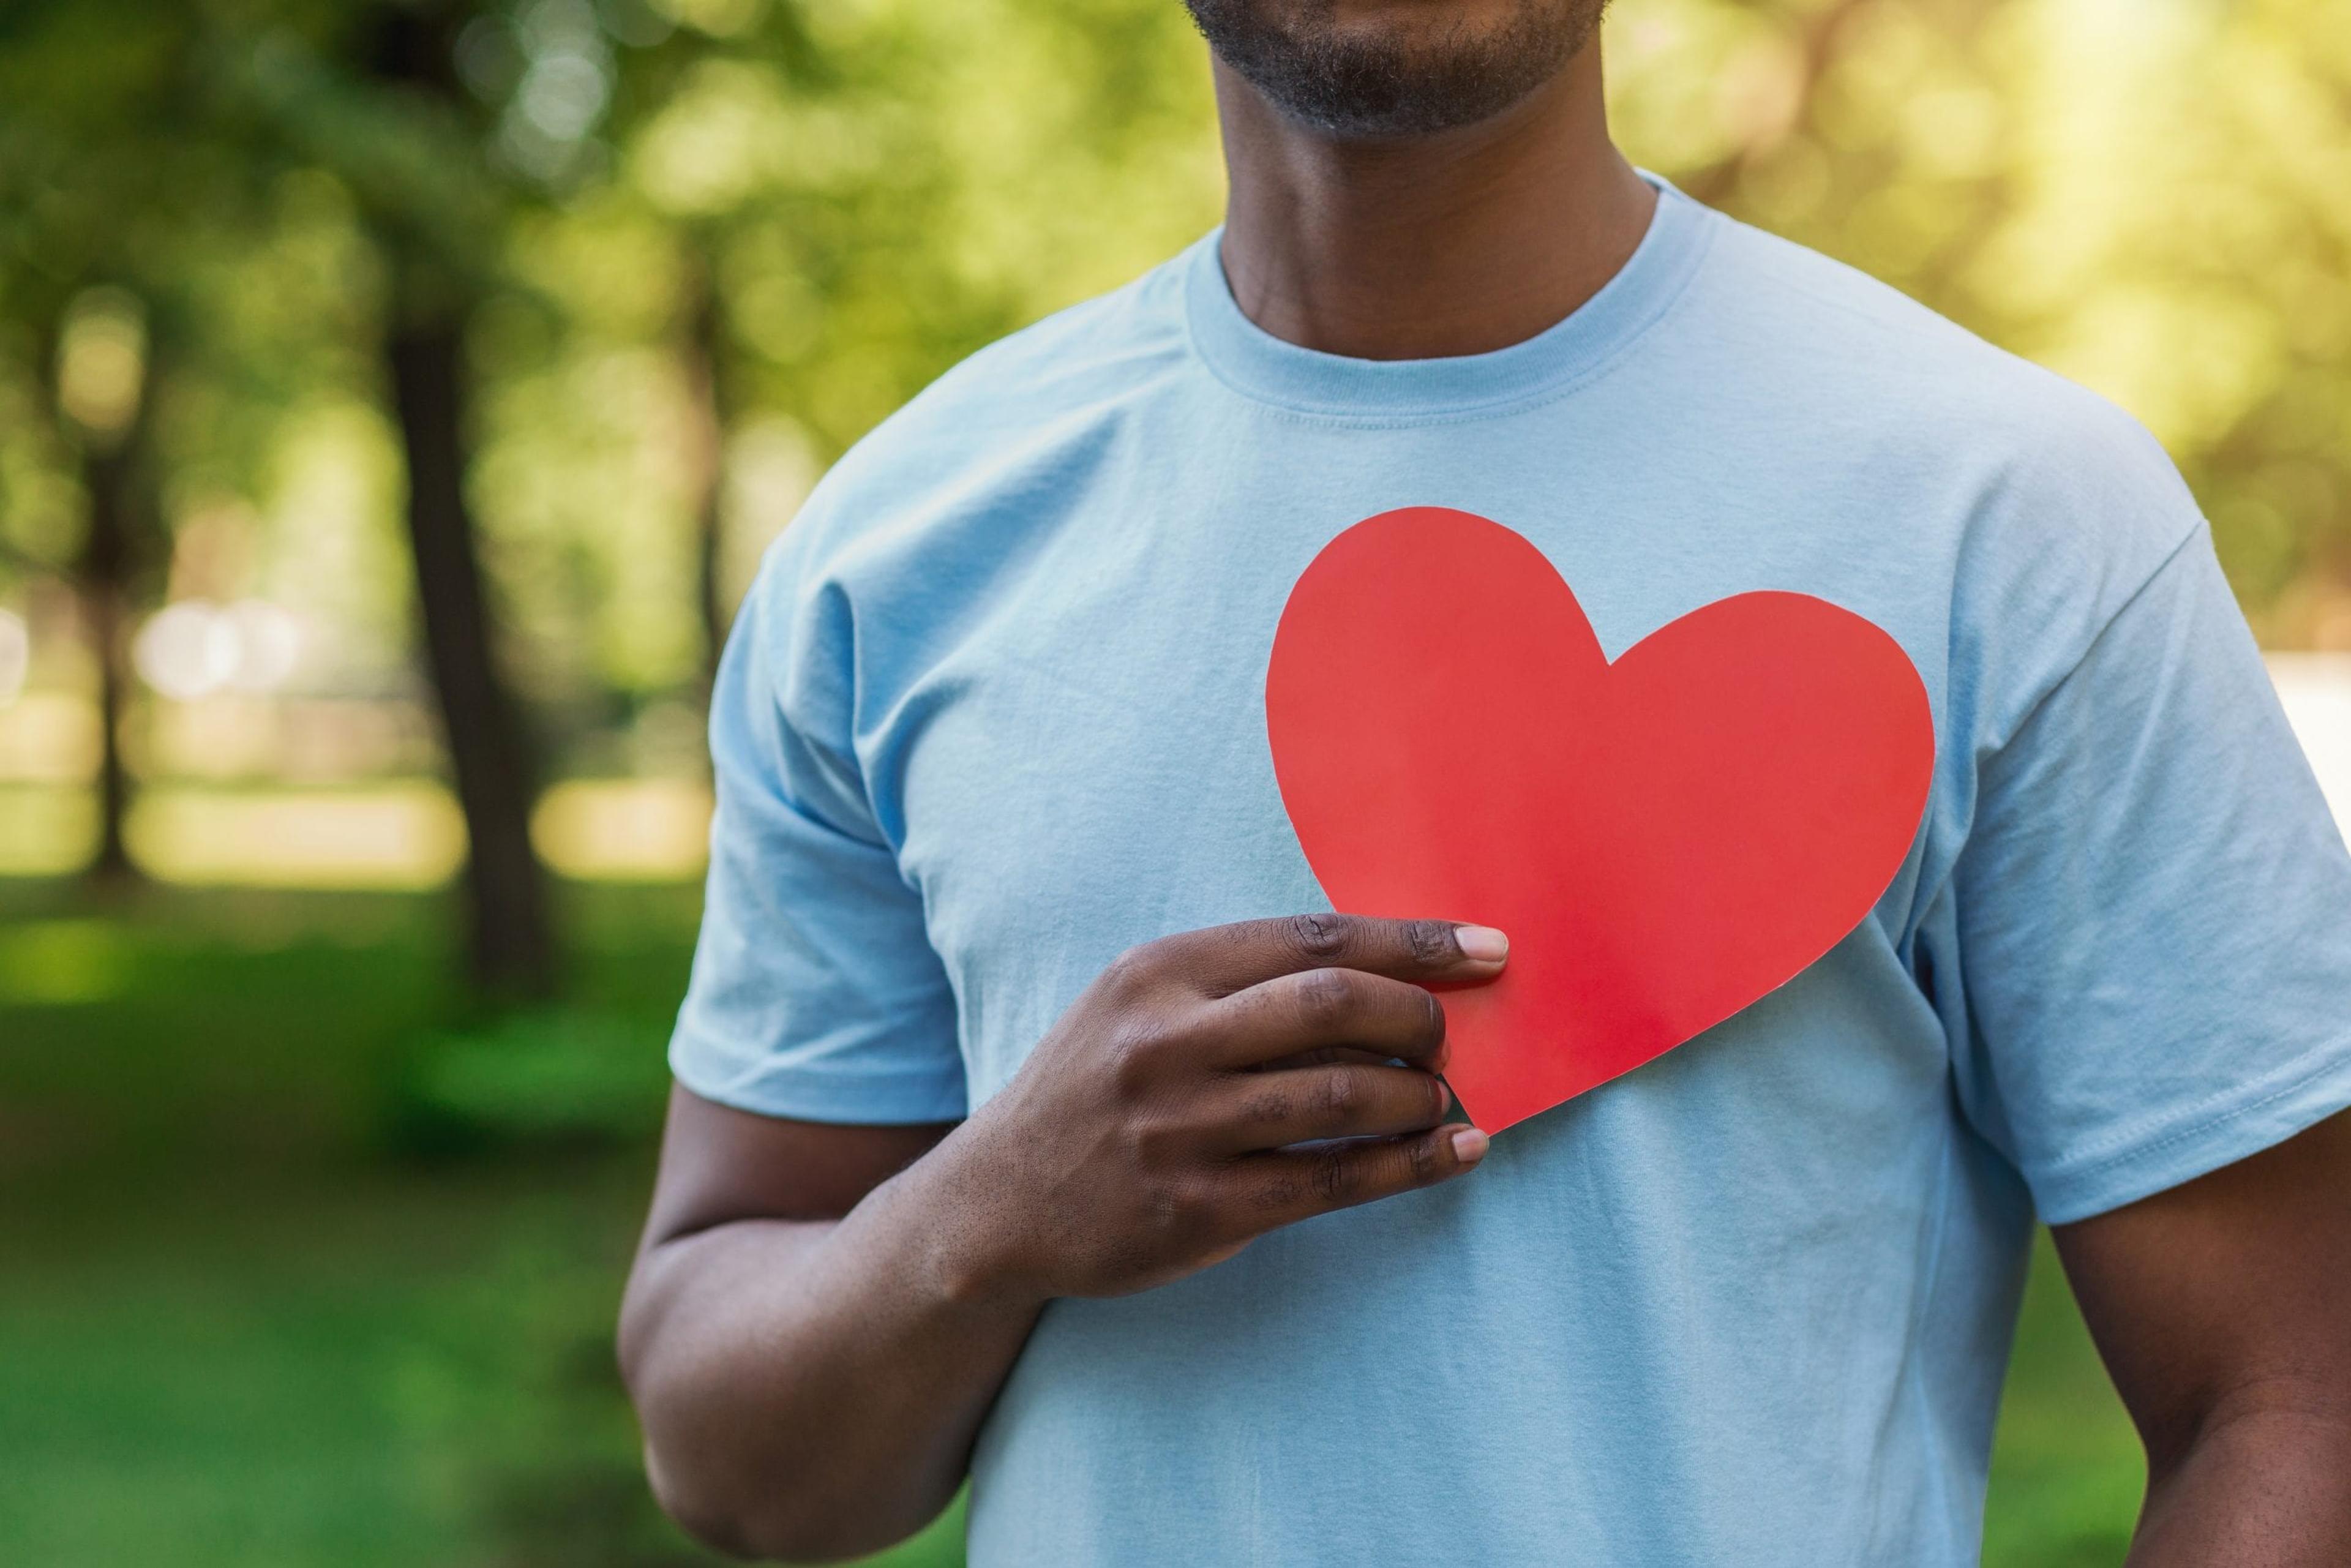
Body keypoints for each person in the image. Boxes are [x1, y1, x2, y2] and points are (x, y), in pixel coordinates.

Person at [618, 2, 2351, 1562]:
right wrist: (986, 1216)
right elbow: (734, 1461)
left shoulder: (2017, 519)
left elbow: (2293, 1403)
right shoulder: (900, 550)